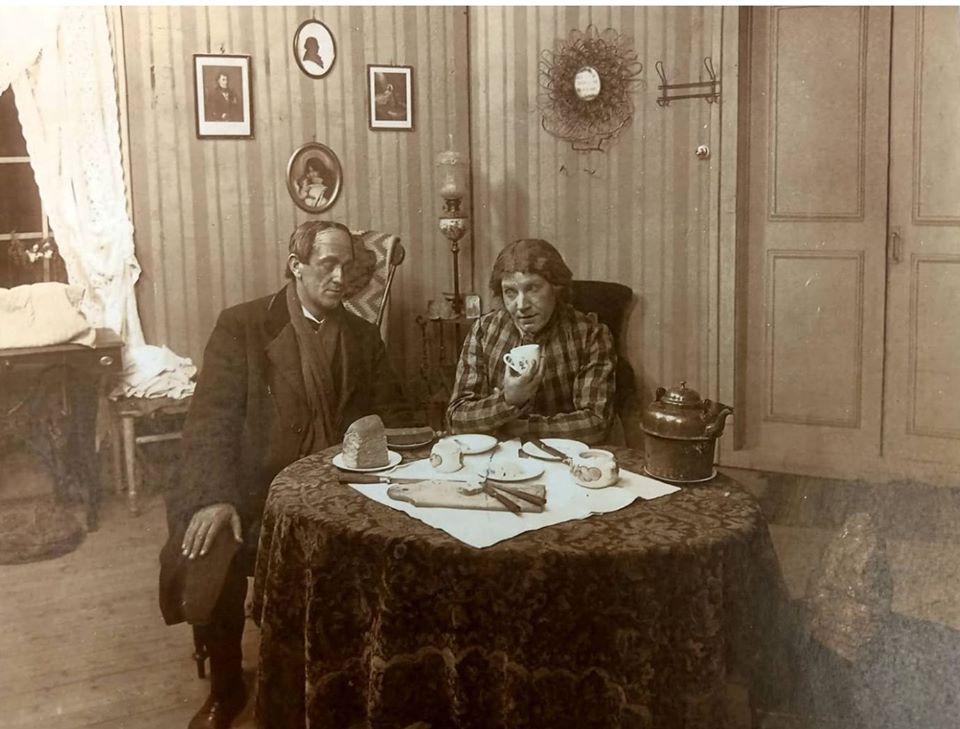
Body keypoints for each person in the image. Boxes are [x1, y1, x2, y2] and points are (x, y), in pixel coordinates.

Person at [162, 220, 409, 729]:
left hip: (341, 494)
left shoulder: (362, 337)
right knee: (214, 542)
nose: (340, 278)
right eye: (327, 265)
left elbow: (395, 413)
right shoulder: (243, 326)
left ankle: (352, 677)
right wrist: (216, 497)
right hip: (256, 494)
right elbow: (209, 423)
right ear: (297, 266)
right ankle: (227, 688)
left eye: (348, 267)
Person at [446, 238, 616, 445]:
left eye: (532, 288)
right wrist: (508, 400)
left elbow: (596, 423)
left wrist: (525, 427)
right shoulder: (483, 330)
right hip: (498, 458)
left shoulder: (590, 334)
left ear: (556, 287)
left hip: (562, 457)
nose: (521, 305)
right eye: (510, 292)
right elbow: (457, 419)